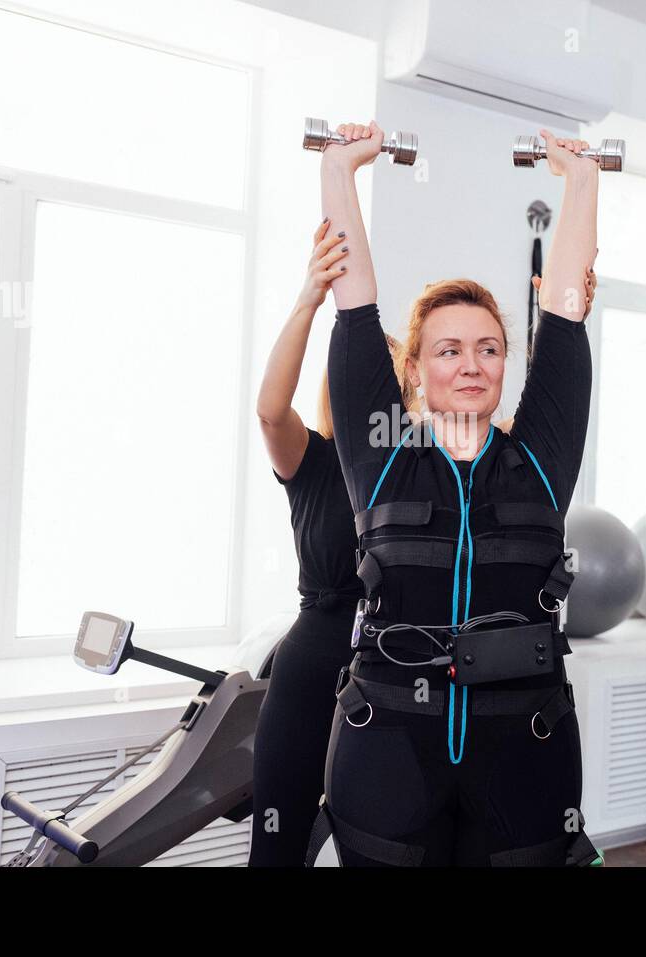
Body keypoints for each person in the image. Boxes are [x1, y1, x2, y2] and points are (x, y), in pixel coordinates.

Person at [313, 121, 601, 866]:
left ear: (507, 362)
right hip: (387, 753)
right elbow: (353, 308)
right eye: (449, 349)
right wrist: (341, 168)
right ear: (414, 367)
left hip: (524, 758)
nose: (471, 363)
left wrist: (583, 182)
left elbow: (564, 321)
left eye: (489, 347)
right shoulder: (381, 456)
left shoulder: (538, 458)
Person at [248, 217, 414, 865]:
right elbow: (268, 408)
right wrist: (310, 296)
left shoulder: (420, 476)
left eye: (400, 392)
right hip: (311, 666)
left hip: (392, 673)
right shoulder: (308, 460)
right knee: (279, 845)